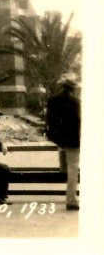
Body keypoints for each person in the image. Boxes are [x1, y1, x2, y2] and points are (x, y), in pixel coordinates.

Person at [45, 74, 81, 210]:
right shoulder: (75, 101)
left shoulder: (53, 100)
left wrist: (56, 137)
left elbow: (49, 121)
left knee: (66, 167)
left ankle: (70, 196)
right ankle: (71, 200)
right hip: (73, 140)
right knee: (73, 169)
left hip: (59, 140)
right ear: (72, 88)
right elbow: (78, 120)